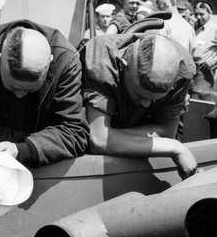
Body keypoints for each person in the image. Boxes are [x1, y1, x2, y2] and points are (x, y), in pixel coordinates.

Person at [0, 20, 89, 166]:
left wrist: (23, 149)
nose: (19, 95)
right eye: (12, 87)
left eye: (29, 90)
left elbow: (74, 132)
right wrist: (47, 140)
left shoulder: (65, 61)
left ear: (50, 64)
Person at [82, 33, 198, 178]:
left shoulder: (182, 70)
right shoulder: (102, 60)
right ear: (123, 66)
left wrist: (112, 136)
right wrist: (174, 147)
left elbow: (167, 132)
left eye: (155, 100)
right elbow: (98, 140)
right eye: (140, 95)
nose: (146, 104)